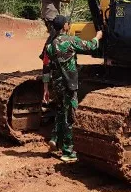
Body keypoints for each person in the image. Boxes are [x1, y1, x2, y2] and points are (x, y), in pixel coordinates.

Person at [42, 15, 102, 162]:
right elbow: (90, 46)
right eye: (68, 24)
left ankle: (55, 139)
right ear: (65, 26)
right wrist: (98, 37)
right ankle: (68, 151)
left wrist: (45, 88)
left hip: (57, 84)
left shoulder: (50, 45)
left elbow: (46, 67)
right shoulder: (70, 41)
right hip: (70, 84)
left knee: (61, 110)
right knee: (70, 115)